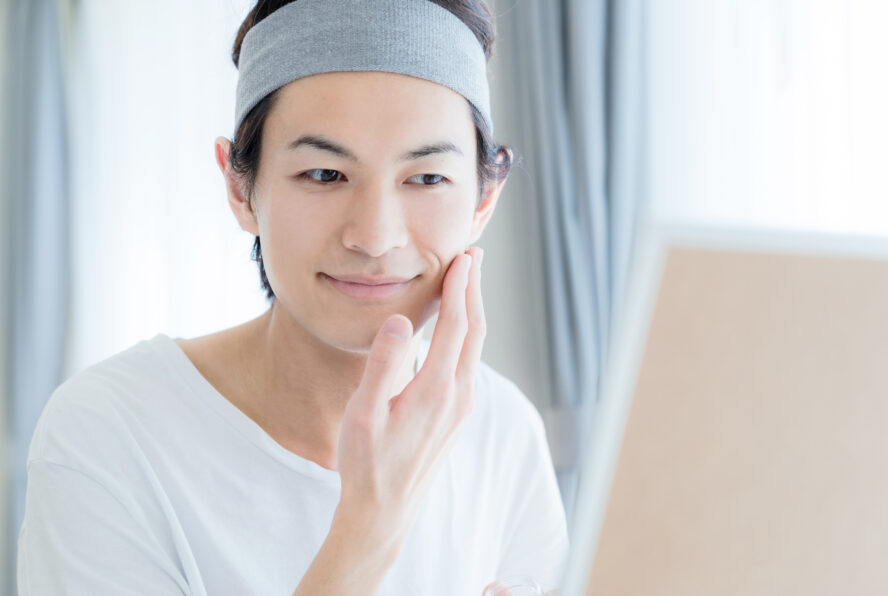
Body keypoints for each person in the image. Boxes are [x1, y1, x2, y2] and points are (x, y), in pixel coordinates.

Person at [16, 0, 569, 594]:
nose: (375, 237)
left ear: (484, 199)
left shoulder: (505, 433)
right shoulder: (108, 436)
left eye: (428, 178)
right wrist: (371, 523)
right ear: (240, 187)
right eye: (324, 174)